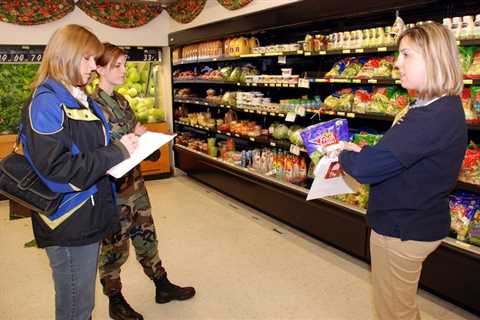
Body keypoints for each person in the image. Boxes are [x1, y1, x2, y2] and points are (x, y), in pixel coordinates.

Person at [339, 22, 467, 320]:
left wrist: (343, 153)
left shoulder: (431, 117)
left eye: (406, 54)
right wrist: (368, 154)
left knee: (395, 312)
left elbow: (368, 169)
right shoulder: (434, 106)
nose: (397, 63)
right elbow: (398, 155)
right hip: (417, 220)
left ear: (433, 58)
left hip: (402, 230)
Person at [21, 25, 139, 320]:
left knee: (82, 302)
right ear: (66, 56)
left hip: (88, 213)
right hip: (68, 222)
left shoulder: (76, 97)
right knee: (76, 306)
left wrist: (122, 146)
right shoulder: (47, 101)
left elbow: (88, 149)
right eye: (86, 59)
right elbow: (58, 170)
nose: (92, 67)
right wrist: (117, 151)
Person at [93, 43, 195, 320]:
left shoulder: (123, 101)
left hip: (135, 186)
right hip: (112, 191)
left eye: (125, 64)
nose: (124, 71)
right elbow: (99, 152)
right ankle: (115, 300)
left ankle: (162, 285)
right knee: (115, 247)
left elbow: (135, 129)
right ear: (98, 68)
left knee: (147, 236)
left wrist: (147, 139)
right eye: (117, 65)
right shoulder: (92, 107)